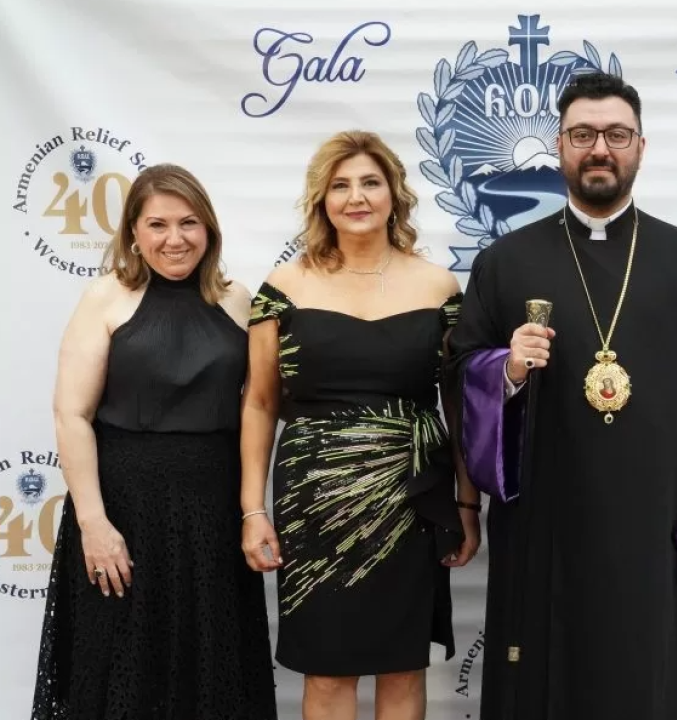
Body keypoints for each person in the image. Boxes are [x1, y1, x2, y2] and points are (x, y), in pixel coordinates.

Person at [447, 72, 677, 720]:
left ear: (640, 147)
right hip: (545, 516)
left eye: (616, 135)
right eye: (583, 134)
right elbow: (460, 374)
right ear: (559, 146)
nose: (600, 148)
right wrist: (506, 370)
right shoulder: (505, 262)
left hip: (655, 520)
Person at [239, 130, 480, 720]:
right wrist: (252, 511)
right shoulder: (284, 287)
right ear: (321, 200)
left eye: (370, 182)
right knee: (327, 672)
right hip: (315, 502)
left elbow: (459, 405)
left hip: (410, 499)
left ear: (394, 194)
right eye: (340, 185)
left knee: (402, 668)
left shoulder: (439, 285)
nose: (356, 197)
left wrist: (467, 504)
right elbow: (260, 403)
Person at [31, 164, 277, 719]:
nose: (175, 239)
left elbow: (259, 407)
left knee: (211, 664)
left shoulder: (239, 300)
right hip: (124, 510)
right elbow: (72, 414)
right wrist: (94, 524)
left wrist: (250, 510)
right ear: (134, 234)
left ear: (209, 229)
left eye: (188, 223)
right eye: (158, 225)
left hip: (213, 511)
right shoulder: (105, 297)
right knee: (122, 666)